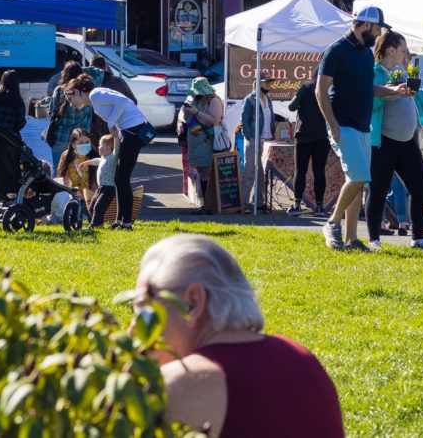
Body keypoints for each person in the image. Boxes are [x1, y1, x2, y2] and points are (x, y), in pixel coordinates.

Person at [134, 234, 345, 437]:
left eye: (144, 308)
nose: (133, 329)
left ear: (193, 302)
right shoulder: (301, 356)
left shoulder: (181, 383)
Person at [316, 7, 408, 251]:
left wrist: (393, 91)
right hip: (343, 125)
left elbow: (369, 89)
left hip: (363, 127)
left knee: (356, 184)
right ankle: (332, 223)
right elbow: (320, 90)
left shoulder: (366, 55)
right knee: (359, 178)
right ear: (366, 25)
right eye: (378, 29)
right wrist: (333, 125)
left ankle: (351, 239)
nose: (379, 35)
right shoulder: (336, 51)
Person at [366, 32, 423, 251]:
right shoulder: (375, 73)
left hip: (407, 142)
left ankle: (418, 238)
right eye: (403, 49)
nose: (406, 54)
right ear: (391, 50)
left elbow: (419, 95)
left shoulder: (400, 72)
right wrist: (390, 94)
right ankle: (374, 240)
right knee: (377, 190)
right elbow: (367, 103)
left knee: (419, 187)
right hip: (383, 141)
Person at [65, 72, 150, 230]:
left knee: (122, 178)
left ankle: (126, 223)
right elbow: (120, 110)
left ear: (76, 92)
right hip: (129, 131)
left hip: (133, 130)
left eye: (70, 99)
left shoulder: (96, 94)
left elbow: (124, 101)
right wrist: (115, 128)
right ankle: (120, 221)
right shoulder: (95, 101)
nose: (71, 104)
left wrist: (111, 123)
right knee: (119, 178)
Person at [181, 77, 224, 215]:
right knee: (202, 173)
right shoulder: (195, 99)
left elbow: (214, 120)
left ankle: (209, 205)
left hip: (208, 142)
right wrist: (187, 112)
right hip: (196, 143)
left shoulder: (214, 100)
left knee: (208, 173)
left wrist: (196, 112)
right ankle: (205, 205)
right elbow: (188, 121)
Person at [288, 76, 328, 216]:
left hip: (304, 134)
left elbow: (291, 107)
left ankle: (297, 204)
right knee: (319, 172)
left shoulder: (305, 86)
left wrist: (297, 97)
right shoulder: (328, 88)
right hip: (323, 136)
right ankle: (319, 206)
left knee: (300, 170)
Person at [46, 61, 93, 169]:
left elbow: (51, 111)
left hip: (61, 137)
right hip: (80, 139)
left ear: (65, 74)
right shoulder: (86, 92)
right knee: (80, 169)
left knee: (59, 170)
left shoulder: (60, 90)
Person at [239, 72, 276, 211]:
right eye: (266, 82)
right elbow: (244, 120)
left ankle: (259, 201)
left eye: (270, 83)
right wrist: (248, 137)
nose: (269, 85)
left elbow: (270, 119)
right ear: (259, 83)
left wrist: (273, 134)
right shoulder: (250, 99)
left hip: (266, 140)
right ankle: (243, 202)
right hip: (254, 139)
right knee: (250, 172)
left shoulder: (269, 99)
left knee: (262, 173)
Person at [82, 134, 118, 227]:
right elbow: (97, 160)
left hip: (108, 189)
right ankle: (99, 224)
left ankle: (94, 225)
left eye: (101, 144)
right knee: (91, 207)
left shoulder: (112, 157)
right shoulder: (103, 158)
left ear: (109, 147)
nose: (98, 147)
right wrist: (86, 162)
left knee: (98, 207)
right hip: (100, 188)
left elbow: (117, 148)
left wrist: (116, 136)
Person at [55, 127, 96, 198]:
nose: (84, 144)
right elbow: (61, 178)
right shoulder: (66, 155)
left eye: (87, 142)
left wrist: (85, 196)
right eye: (81, 143)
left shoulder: (95, 155)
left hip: (91, 197)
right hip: (72, 195)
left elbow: (99, 182)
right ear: (73, 144)